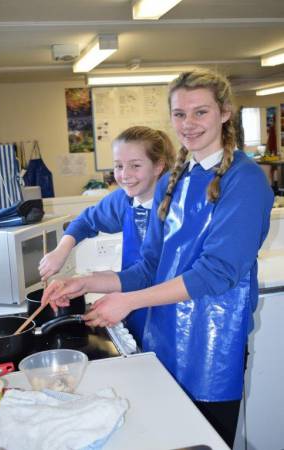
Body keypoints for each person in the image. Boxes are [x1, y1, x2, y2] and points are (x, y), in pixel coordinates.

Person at [41, 68, 274, 448]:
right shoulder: (173, 180)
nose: (189, 124)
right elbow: (150, 267)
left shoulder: (244, 180)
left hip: (212, 343)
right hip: (161, 338)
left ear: (225, 113)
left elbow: (215, 274)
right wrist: (86, 282)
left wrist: (128, 302)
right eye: (180, 114)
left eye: (201, 112)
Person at [39, 125, 176, 346]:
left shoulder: (174, 207)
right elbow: (85, 221)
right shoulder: (124, 200)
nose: (125, 175)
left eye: (135, 166)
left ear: (158, 166)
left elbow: (150, 273)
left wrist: (85, 282)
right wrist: (61, 251)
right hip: (131, 300)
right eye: (118, 166)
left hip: (170, 307)